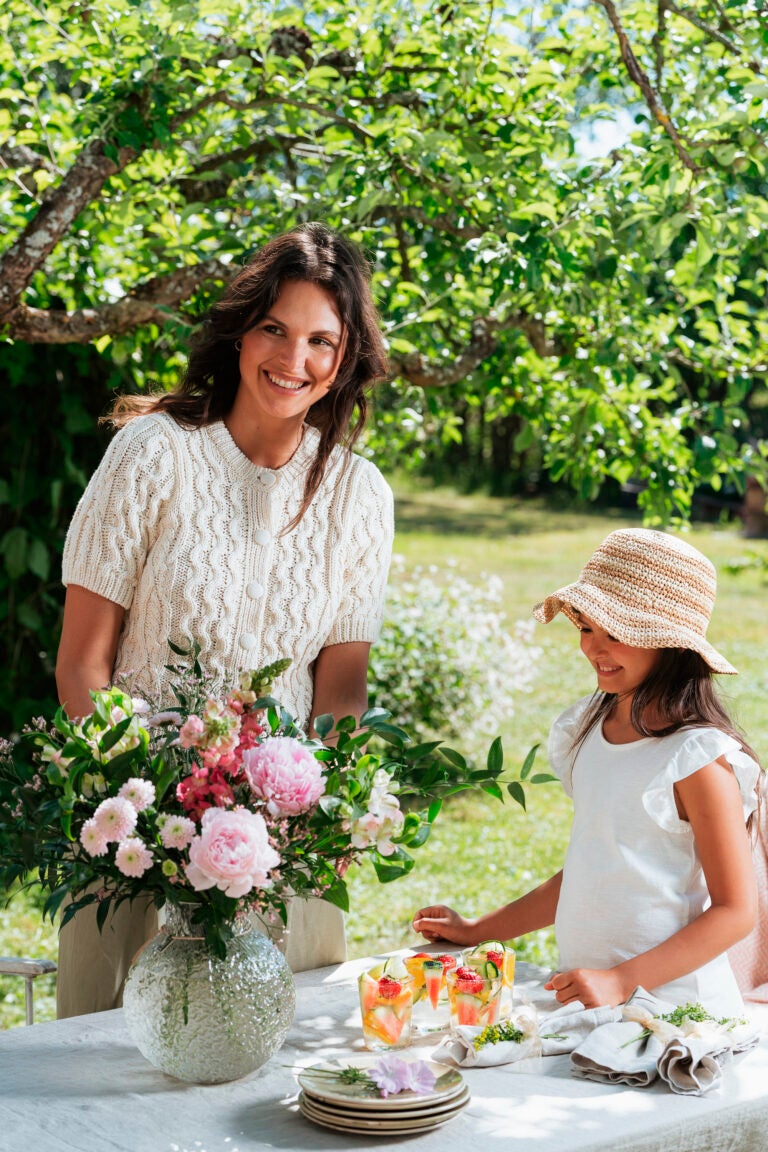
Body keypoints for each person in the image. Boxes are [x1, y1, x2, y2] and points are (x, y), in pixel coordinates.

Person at [55, 223, 394, 1017]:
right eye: (275, 328)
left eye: (321, 340)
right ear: (241, 330)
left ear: (344, 360)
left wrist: (318, 821)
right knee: (111, 1087)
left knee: (279, 1095)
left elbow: (340, 692)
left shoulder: (359, 495)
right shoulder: (154, 453)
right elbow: (82, 666)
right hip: (138, 837)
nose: (293, 360)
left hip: (288, 851)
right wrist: (146, 812)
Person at [413, 528, 762, 1016]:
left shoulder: (695, 758)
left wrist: (622, 980)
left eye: (616, 634)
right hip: (595, 1001)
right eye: (585, 628)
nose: (595, 649)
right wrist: (478, 930)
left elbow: (735, 913)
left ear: (671, 644)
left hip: (676, 1014)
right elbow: (591, 870)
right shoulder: (591, 728)